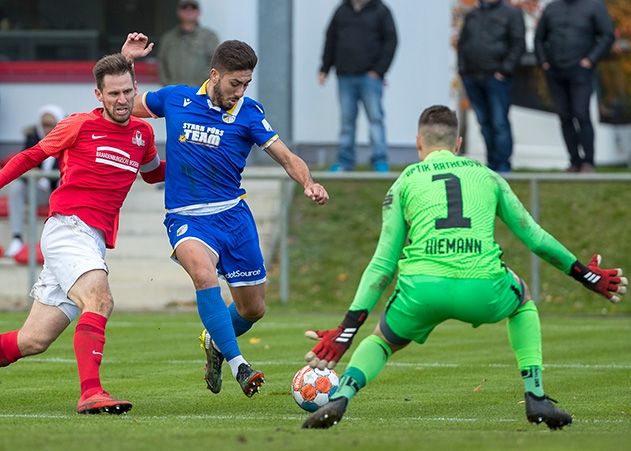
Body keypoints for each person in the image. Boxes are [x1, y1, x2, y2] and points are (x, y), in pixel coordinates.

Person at [301, 105, 627, 429]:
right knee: (523, 299)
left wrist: (346, 330)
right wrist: (586, 275)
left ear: (418, 143)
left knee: (383, 340)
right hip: (482, 287)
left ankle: (342, 396)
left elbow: (382, 264)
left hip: (422, 289)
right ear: (458, 144)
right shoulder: (487, 176)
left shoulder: (403, 182)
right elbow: (536, 239)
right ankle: (536, 396)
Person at [122, 33, 329, 398]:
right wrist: (126, 61)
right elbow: (122, 105)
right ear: (215, 74)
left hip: (233, 217)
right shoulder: (177, 98)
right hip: (187, 217)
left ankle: (216, 342)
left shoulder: (249, 113)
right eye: (236, 82)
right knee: (203, 275)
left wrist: (308, 182)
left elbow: (286, 156)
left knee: (253, 309)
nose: (240, 90)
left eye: (247, 83)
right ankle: (240, 365)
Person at [0, 53, 165, 414]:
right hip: (67, 229)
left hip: (91, 241)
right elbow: (29, 157)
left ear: (135, 90)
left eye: (127, 92)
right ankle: (91, 392)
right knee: (100, 300)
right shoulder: (78, 125)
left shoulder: (143, 134)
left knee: (33, 340)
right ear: (98, 95)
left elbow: (153, 174)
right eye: (113, 94)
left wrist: (197, 162)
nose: (121, 100)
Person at [534, 0, 615, 173]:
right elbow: (539, 38)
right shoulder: (552, 8)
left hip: (581, 71)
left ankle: (588, 162)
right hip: (555, 71)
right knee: (564, 116)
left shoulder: (594, 6)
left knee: (581, 114)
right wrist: (544, 62)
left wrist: (590, 60)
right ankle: (574, 161)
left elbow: (607, 35)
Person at [319, 0, 397, 172]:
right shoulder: (341, 10)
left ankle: (380, 160)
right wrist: (325, 68)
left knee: (375, 118)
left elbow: (391, 41)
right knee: (347, 122)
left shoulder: (381, 11)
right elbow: (331, 39)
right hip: (345, 76)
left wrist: (379, 70)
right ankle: (345, 162)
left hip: (370, 77)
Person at [457, 0, 525, 173]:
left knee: (499, 121)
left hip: (497, 78)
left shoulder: (511, 13)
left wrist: (504, 70)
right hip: (472, 77)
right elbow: (462, 43)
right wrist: (463, 71)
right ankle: (492, 163)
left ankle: (503, 165)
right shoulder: (472, 14)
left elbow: (518, 44)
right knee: (484, 122)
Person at [4, 104, 65, 258]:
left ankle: (62, 238)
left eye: (51, 124)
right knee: (17, 188)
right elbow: (23, 163)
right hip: (37, 189)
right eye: (44, 124)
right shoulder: (33, 140)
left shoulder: (68, 140)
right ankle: (17, 239)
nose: (47, 128)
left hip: (57, 192)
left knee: (64, 183)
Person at [158, 0, 219, 86]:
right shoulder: (168, 38)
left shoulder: (209, 37)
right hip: (174, 93)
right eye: (184, 7)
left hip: (200, 93)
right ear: (178, 12)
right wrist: (169, 87)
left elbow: (216, 63)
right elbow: (161, 64)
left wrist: (203, 87)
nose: (188, 11)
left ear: (199, 12)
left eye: (193, 8)